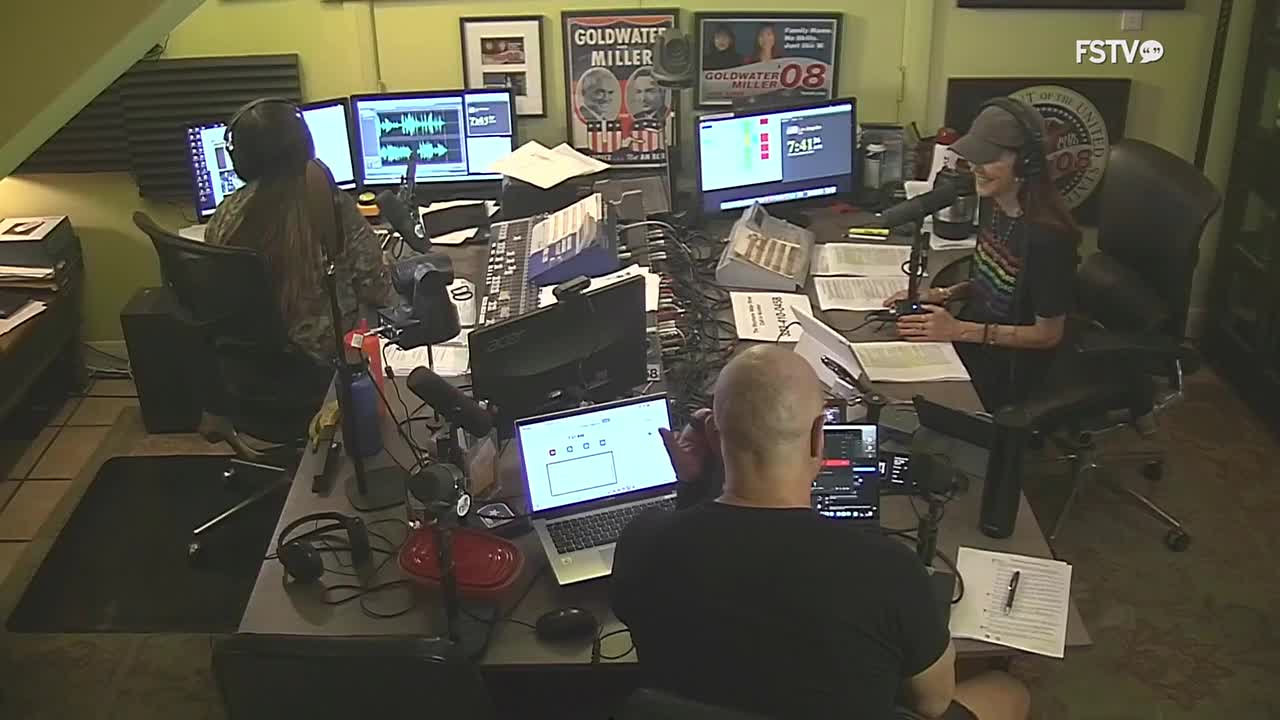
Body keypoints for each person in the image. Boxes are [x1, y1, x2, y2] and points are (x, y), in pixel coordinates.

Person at [612, 346, 1031, 720]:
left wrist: (694, 487)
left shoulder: (642, 541)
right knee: (1008, 691)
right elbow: (932, 703)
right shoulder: (888, 571)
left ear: (712, 437)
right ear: (819, 439)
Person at [885, 99, 1080, 411]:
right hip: (977, 338)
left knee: (911, 405)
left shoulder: (1048, 238)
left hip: (1014, 367)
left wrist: (958, 330)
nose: (976, 168)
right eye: (975, 157)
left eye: (988, 158)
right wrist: (939, 294)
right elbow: (988, 278)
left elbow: (1048, 335)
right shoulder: (995, 203)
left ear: (1025, 164)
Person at [206, 98, 394, 362]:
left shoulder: (224, 215)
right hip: (322, 362)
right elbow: (377, 289)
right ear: (305, 145)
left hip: (246, 362)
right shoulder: (330, 203)